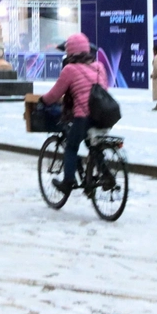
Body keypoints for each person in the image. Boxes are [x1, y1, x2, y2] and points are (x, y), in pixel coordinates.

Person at [41, 33, 109, 194]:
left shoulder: (69, 69)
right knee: (94, 146)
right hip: (104, 114)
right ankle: (106, 175)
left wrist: (43, 101)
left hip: (83, 116)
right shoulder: (99, 66)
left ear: (69, 51)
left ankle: (68, 181)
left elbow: (55, 94)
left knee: (71, 147)